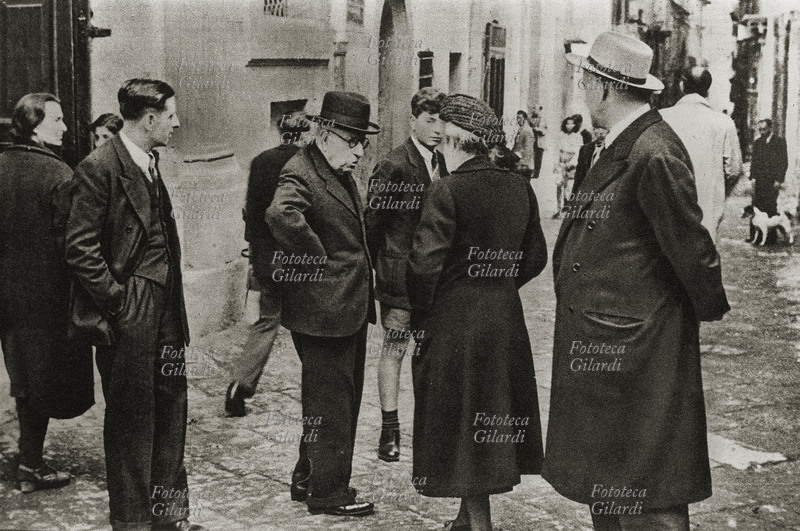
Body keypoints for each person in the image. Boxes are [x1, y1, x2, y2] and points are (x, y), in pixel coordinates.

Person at [544, 32, 730, 530]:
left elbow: (693, 254)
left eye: (585, 81)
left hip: (639, 354)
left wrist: (687, 316)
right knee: (612, 484)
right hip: (616, 348)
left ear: (604, 87)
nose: (582, 91)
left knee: (650, 492)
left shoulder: (653, 152)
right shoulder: (628, 143)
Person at [66, 79, 203, 531]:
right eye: (171, 115)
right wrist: (119, 302)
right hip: (131, 313)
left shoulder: (149, 161)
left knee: (170, 413)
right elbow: (80, 247)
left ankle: (168, 517)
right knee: (130, 424)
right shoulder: (99, 167)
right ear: (148, 119)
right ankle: (132, 523)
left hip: (165, 312)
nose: (177, 122)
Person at [407, 94, 547, 531]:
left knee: (463, 420)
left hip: (454, 324)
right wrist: (498, 286)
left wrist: (425, 314)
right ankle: (466, 518)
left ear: (454, 141)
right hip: (504, 318)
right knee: (485, 416)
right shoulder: (519, 186)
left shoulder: (445, 190)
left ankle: (479, 525)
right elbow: (536, 256)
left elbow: (423, 266)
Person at [266, 91, 379, 517]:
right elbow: (280, 214)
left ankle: (308, 477)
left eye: (363, 143)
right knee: (331, 403)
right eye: (353, 142)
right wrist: (315, 259)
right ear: (326, 133)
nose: (360, 152)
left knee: (333, 398)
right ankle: (328, 493)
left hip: (343, 307)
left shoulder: (331, 166)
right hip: (324, 310)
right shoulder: (300, 170)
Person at [0, 93, 94, 493]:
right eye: (58, 119)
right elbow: (72, 244)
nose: (66, 127)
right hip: (44, 297)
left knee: (20, 376)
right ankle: (31, 466)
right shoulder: (58, 176)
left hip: (5, 294)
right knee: (39, 380)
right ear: (36, 126)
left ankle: (29, 460)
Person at [364, 87, 446, 462]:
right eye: (430, 120)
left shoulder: (444, 163)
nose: (438, 129)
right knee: (395, 350)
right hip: (399, 280)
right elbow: (373, 224)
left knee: (431, 353)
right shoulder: (396, 163)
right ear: (413, 120)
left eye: (443, 121)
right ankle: (389, 430)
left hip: (435, 279)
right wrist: (385, 266)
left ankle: (431, 430)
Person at [224, 107, 311, 417]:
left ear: (280, 130)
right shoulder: (306, 162)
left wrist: (256, 249)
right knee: (309, 323)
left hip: (265, 256)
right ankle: (318, 388)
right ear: (304, 133)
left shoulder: (260, 161)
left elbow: (250, 210)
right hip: (297, 257)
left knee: (267, 321)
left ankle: (240, 385)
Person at [660, 67, 743, 244]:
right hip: (707, 212)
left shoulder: (662, 118)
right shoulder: (724, 123)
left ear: (682, 86)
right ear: (707, 90)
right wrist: (717, 188)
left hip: (667, 209)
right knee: (703, 262)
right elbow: (734, 171)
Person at [750, 118, 788, 219]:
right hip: (759, 180)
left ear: (770, 128)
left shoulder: (779, 142)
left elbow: (783, 162)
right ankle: (757, 233)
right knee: (757, 207)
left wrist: (779, 180)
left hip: (772, 181)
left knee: (770, 207)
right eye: (760, 130)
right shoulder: (757, 143)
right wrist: (753, 177)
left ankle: (771, 234)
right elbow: (754, 161)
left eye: (764, 129)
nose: (761, 132)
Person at [554, 116, 583, 218]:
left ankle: (570, 210)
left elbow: (578, 152)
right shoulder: (561, 136)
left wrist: (573, 163)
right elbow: (557, 150)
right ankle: (558, 209)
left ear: (574, 125)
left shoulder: (577, 137)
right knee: (559, 185)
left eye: (571, 124)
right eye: (567, 124)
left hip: (571, 165)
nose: (569, 126)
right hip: (561, 163)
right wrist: (556, 163)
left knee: (569, 189)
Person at [572, 126, 608, 193]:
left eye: (603, 132)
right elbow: (579, 174)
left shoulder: (609, 150)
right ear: (594, 132)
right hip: (585, 189)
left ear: (607, 133)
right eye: (598, 132)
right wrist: (574, 195)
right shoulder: (585, 149)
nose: (600, 135)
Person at [512, 109, 536, 177]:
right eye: (517, 118)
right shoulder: (521, 129)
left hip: (524, 166)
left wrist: (522, 163)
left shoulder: (527, 130)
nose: (518, 120)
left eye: (520, 118)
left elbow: (528, 149)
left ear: (525, 119)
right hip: (519, 163)